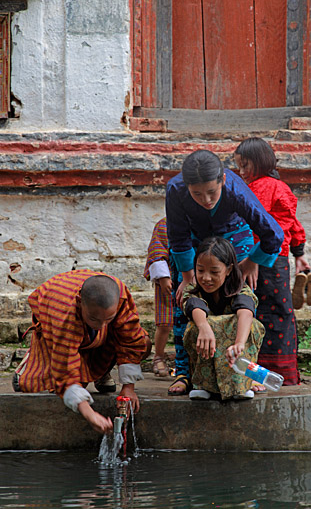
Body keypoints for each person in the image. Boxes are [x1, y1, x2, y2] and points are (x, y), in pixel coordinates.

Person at [165, 149, 284, 395]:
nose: (206, 200)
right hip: (195, 240)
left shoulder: (235, 189)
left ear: (223, 181)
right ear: (186, 186)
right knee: (183, 301)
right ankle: (184, 372)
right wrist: (188, 278)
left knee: (240, 299)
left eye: (212, 192)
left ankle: (248, 373)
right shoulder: (175, 190)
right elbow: (178, 237)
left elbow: (273, 234)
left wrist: (252, 261)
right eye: (197, 194)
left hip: (234, 236)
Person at [13, 270, 151, 433]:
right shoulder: (65, 314)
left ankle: (101, 373)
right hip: (55, 318)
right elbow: (65, 372)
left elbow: (130, 339)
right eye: (94, 318)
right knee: (50, 381)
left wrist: (128, 388)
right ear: (79, 302)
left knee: (144, 342)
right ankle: (30, 363)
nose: (101, 325)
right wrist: (89, 413)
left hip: (88, 323)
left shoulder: (120, 295)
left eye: (109, 318)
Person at [234, 137, 311, 386]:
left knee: (267, 313)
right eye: (238, 166)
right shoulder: (269, 187)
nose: (241, 172)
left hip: (266, 261)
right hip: (260, 260)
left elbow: (280, 227)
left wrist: (257, 258)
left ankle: (270, 373)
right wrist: (299, 253)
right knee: (262, 312)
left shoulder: (271, 188)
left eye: (245, 165)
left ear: (260, 163)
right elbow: (293, 225)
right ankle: (265, 373)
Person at [183, 237, 265, 400]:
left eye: (214, 272)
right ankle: (203, 385)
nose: (206, 278)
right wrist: (204, 327)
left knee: (252, 326)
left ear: (228, 270)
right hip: (208, 346)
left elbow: (246, 311)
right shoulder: (193, 290)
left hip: (234, 349)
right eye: (200, 271)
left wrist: (239, 343)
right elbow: (194, 305)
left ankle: (243, 383)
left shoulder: (240, 288)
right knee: (194, 327)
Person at [144, 217, 174, 377]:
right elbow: (156, 251)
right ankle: (159, 356)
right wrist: (163, 277)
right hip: (168, 281)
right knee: (165, 324)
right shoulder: (164, 225)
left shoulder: (200, 220)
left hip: (195, 279)